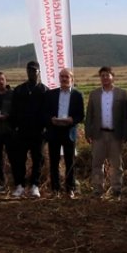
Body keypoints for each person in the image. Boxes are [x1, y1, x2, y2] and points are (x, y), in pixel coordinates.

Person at [85, 66, 127, 197]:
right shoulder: (94, 94)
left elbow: (125, 116)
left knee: (117, 164)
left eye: (107, 75)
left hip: (115, 134)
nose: (105, 78)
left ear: (112, 76)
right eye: (102, 75)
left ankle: (117, 190)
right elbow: (89, 115)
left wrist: (126, 133)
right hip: (99, 134)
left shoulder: (122, 93)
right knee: (97, 163)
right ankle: (97, 189)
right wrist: (88, 132)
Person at [44, 68, 84, 198]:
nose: (64, 79)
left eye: (67, 77)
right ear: (59, 79)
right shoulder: (51, 94)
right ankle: (55, 189)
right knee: (54, 161)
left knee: (69, 161)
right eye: (62, 77)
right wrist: (51, 119)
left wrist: (72, 120)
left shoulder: (77, 95)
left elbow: (80, 115)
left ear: (71, 79)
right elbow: (45, 112)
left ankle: (70, 189)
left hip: (69, 132)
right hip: (54, 131)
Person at [10, 61, 48, 198]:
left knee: (38, 160)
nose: (31, 73)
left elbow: (48, 112)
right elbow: (13, 111)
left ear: (39, 72)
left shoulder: (44, 90)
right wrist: (14, 128)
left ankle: (34, 186)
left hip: (38, 132)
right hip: (22, 131)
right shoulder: (19, 90)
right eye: (29, 70)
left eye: (34, 71)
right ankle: (20, 185)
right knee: (19, 159)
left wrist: (46, 129)